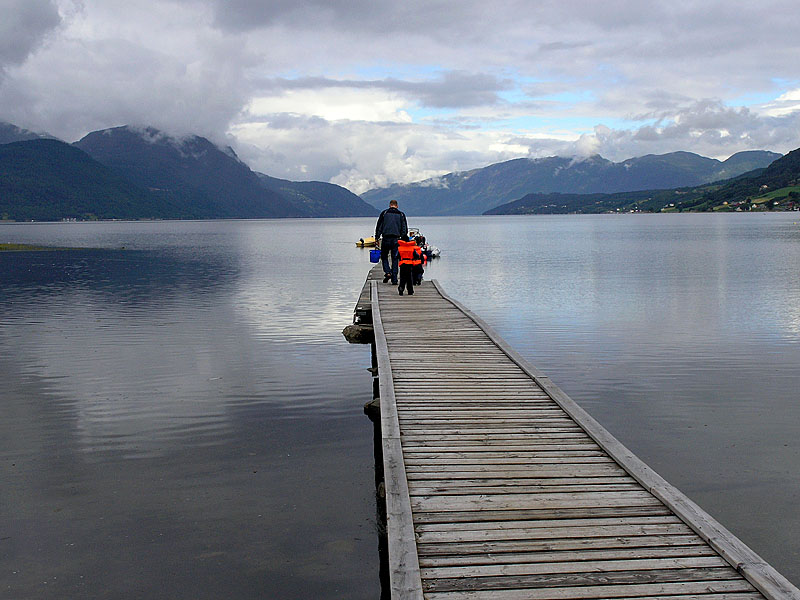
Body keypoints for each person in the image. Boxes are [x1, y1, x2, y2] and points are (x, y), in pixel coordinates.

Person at [374, 199, 407, 284]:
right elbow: (404, 229)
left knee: (384, 257)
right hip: (396, 239)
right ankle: (394, 279)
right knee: (395, 258)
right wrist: (402, 238)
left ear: (389, 205)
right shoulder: (401, 214)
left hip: (385, 238)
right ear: (397, 206)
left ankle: (388, 272)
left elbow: (379, 226)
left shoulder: (384, 213)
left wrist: (377, 237)